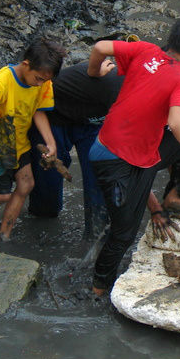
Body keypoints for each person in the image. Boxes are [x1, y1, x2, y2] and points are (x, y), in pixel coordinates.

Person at [87, 16, 180, 296]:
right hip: (114, 160)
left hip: (136, 149)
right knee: (124, 232)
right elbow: (176, 121)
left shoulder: (146, 50)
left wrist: (94, 74)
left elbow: (100, 47)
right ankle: (98, 288)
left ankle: (174, 196)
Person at [0, 38, 66, 240]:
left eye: (45, 80)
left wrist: (51, 142)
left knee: (26, 185)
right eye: (38, 79)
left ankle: (4, 235)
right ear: (26, 65)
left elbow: (39, 113)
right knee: (1, 194)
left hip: (20, 145)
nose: (40, 84)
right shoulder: (1, 81)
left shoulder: (43, 82)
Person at [27, 60, 124, 240]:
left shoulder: (134, 104)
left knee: (98, 174)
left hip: (92, 122)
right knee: (48, 176)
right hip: (55, 117)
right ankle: (41, 222)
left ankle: (96, 232)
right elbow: (36, 105)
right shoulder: (119, 87)